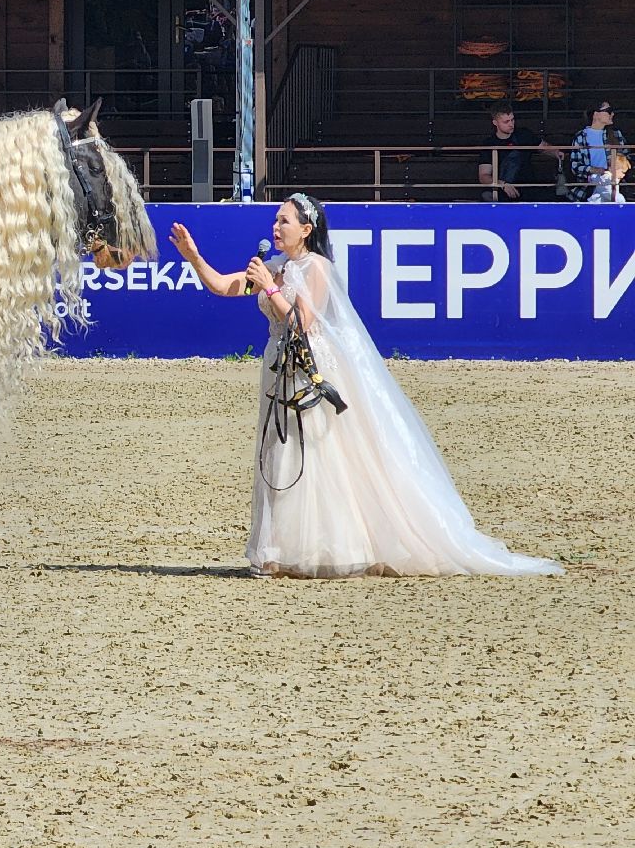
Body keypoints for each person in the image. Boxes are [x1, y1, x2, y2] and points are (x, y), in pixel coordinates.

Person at [168, 194, 561, 580]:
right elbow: (224, 286)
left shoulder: (316, 268)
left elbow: (303, 325)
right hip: (278, 366)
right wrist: (193, 256)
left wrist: (270, 288)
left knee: (318, 452)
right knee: (281, 449)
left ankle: (331, 548)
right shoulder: (276, 267)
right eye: (276, 220)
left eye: (284, 220)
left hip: (308, 368)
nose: (276, 226)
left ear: (306, 229)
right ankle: (280, 549)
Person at [477, 101, 562, 201]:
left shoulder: (524, 134)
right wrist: (502, 184)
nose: (511, 124)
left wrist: (557, 153)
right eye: (506, 122)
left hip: (529, 189)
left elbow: (544, 147)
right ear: (495, 122)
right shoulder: (489, 143)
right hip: (503, 191)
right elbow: (484, 176)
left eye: (512, 120)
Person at [568, 100, 626, 201]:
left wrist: (619, 169)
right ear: (596, 114)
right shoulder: (580, 137)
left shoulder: (616, 134)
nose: (612, 114)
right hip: (587, 191)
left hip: (615, 187)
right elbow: (575, 167)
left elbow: (626, 158)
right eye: (609, 111)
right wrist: (597, 171)